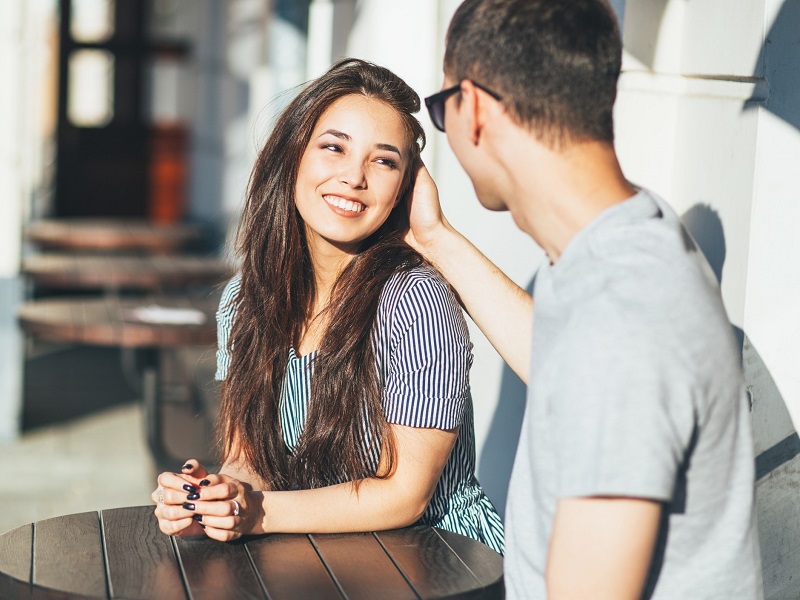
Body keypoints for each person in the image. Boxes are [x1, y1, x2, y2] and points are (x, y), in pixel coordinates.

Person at [405, 0, 763, 598]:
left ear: (475, 112)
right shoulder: (627, 241)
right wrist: (434, 240)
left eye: (441, 108)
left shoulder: (621, 313)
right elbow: (562, 361)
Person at [151, 58, 504, 555]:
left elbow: (405, 495)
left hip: (441, 564)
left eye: (384, 161)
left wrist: (258, 512)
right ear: (293, 156)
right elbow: (245, 459)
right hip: (317, 559)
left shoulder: (414, 301)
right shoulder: (245, 298)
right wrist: (218, 497)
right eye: (333, 147)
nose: (354, 177)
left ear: (404, 189)